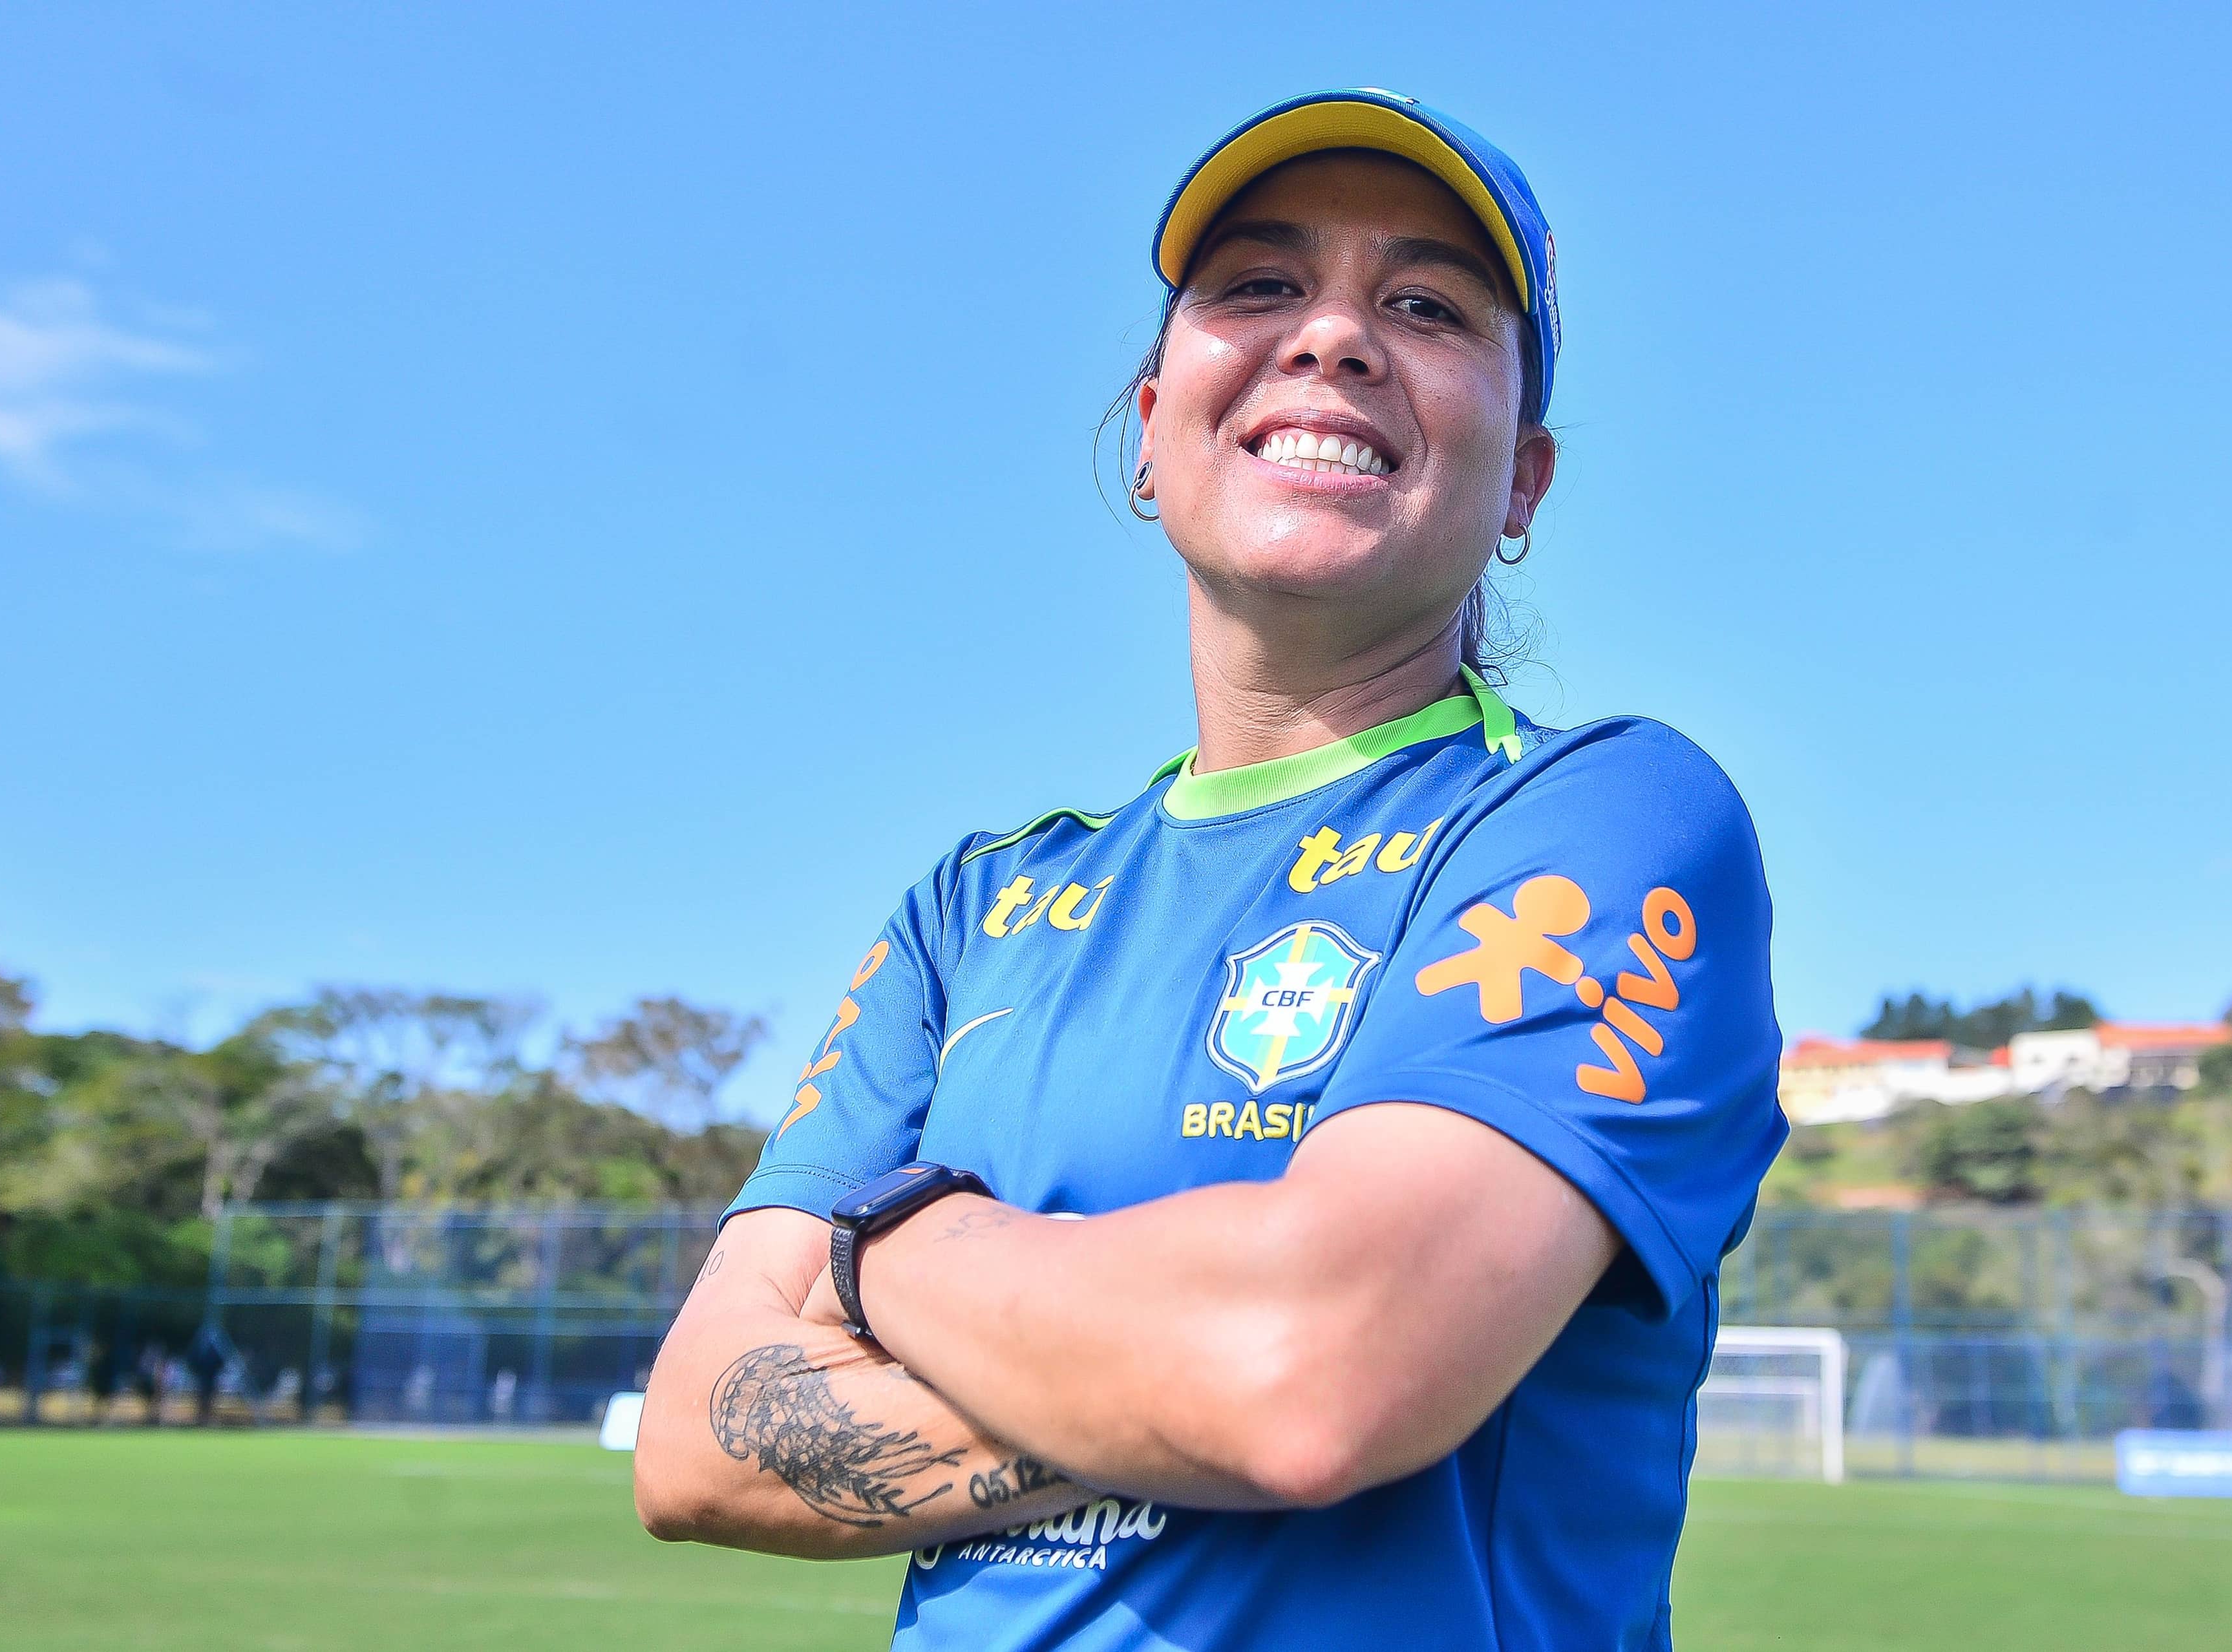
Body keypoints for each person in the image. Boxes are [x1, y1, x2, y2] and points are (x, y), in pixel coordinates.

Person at [635, 88, 1785, 1651]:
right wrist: (1185, 1376)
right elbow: (697, 1443)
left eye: (1427, 305)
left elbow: (1311, 1377)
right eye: (1259, 285)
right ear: (1151, 431)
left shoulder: (1598, 816)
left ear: (1523, 481)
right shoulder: (971, 912)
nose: (1334, 336)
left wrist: (889, 1240)